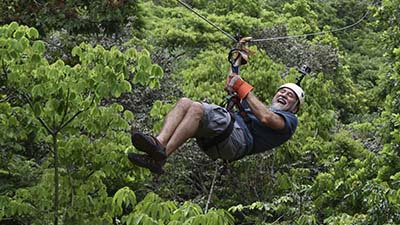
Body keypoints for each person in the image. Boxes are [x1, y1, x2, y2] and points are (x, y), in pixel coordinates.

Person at [128, 70, 305, 174]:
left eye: (290, 96)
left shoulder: (289, 121)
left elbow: (266, 118)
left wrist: (244, 88)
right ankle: (159, 146)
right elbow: (233, 82)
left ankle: (162, 155)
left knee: (197, 108)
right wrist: (238, 56)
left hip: (237, 141)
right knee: (184, 103)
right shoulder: (254, 108)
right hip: (224, 138)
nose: (284, 95)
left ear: (295, 108)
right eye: (282, 92)